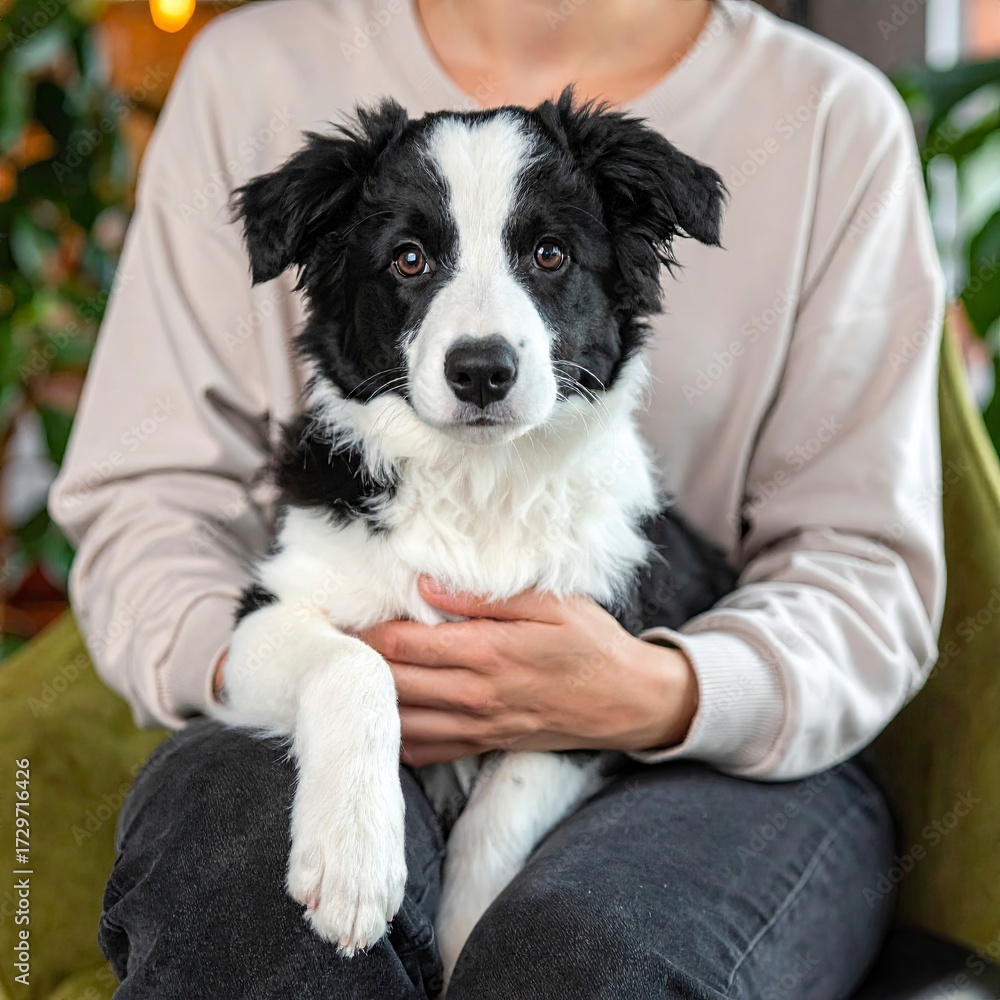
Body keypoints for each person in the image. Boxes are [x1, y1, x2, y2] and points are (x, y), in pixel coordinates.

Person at [49, 0, 945, 997]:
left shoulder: (830, 119)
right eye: (411, 261)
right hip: (339, 694)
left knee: (581, 948)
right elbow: (149, 502)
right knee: (233, 875)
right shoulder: (248, 73)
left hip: (713, 754)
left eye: (547, 256)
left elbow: (864, 568)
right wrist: (324, 682)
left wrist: (653, 695)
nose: (482, 337)